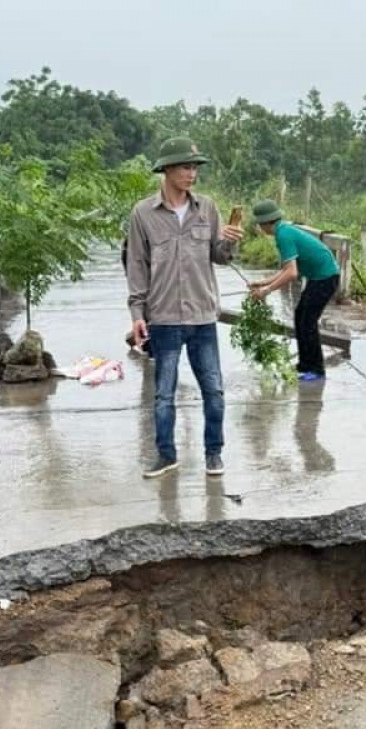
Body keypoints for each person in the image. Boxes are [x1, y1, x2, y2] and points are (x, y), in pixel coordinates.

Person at [126, 136, 243, 478]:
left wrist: (231, 243)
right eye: (185, 167)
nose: (192, 173)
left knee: (215, 390)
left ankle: (214, 453)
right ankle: (166, 455)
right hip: (163, 318)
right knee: (163, 394)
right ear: (166, 169)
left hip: (203, 316)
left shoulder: (207, 208)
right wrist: (137, 315)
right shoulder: (143, 214)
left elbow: (219, 257)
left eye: (195, 167)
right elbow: (136, 266)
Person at [248, 200, 341, 382]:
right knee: (300, 316)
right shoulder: (283, 231)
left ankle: (316, 369)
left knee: (308, 322)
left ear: (267, 222)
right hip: (318, 276)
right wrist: (263, 282)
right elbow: (286, 269)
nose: (259, 228)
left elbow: (292, 273)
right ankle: (305, 364)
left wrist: (266, 291)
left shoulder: (283, 235)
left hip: (325, 277)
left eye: (260, 224)